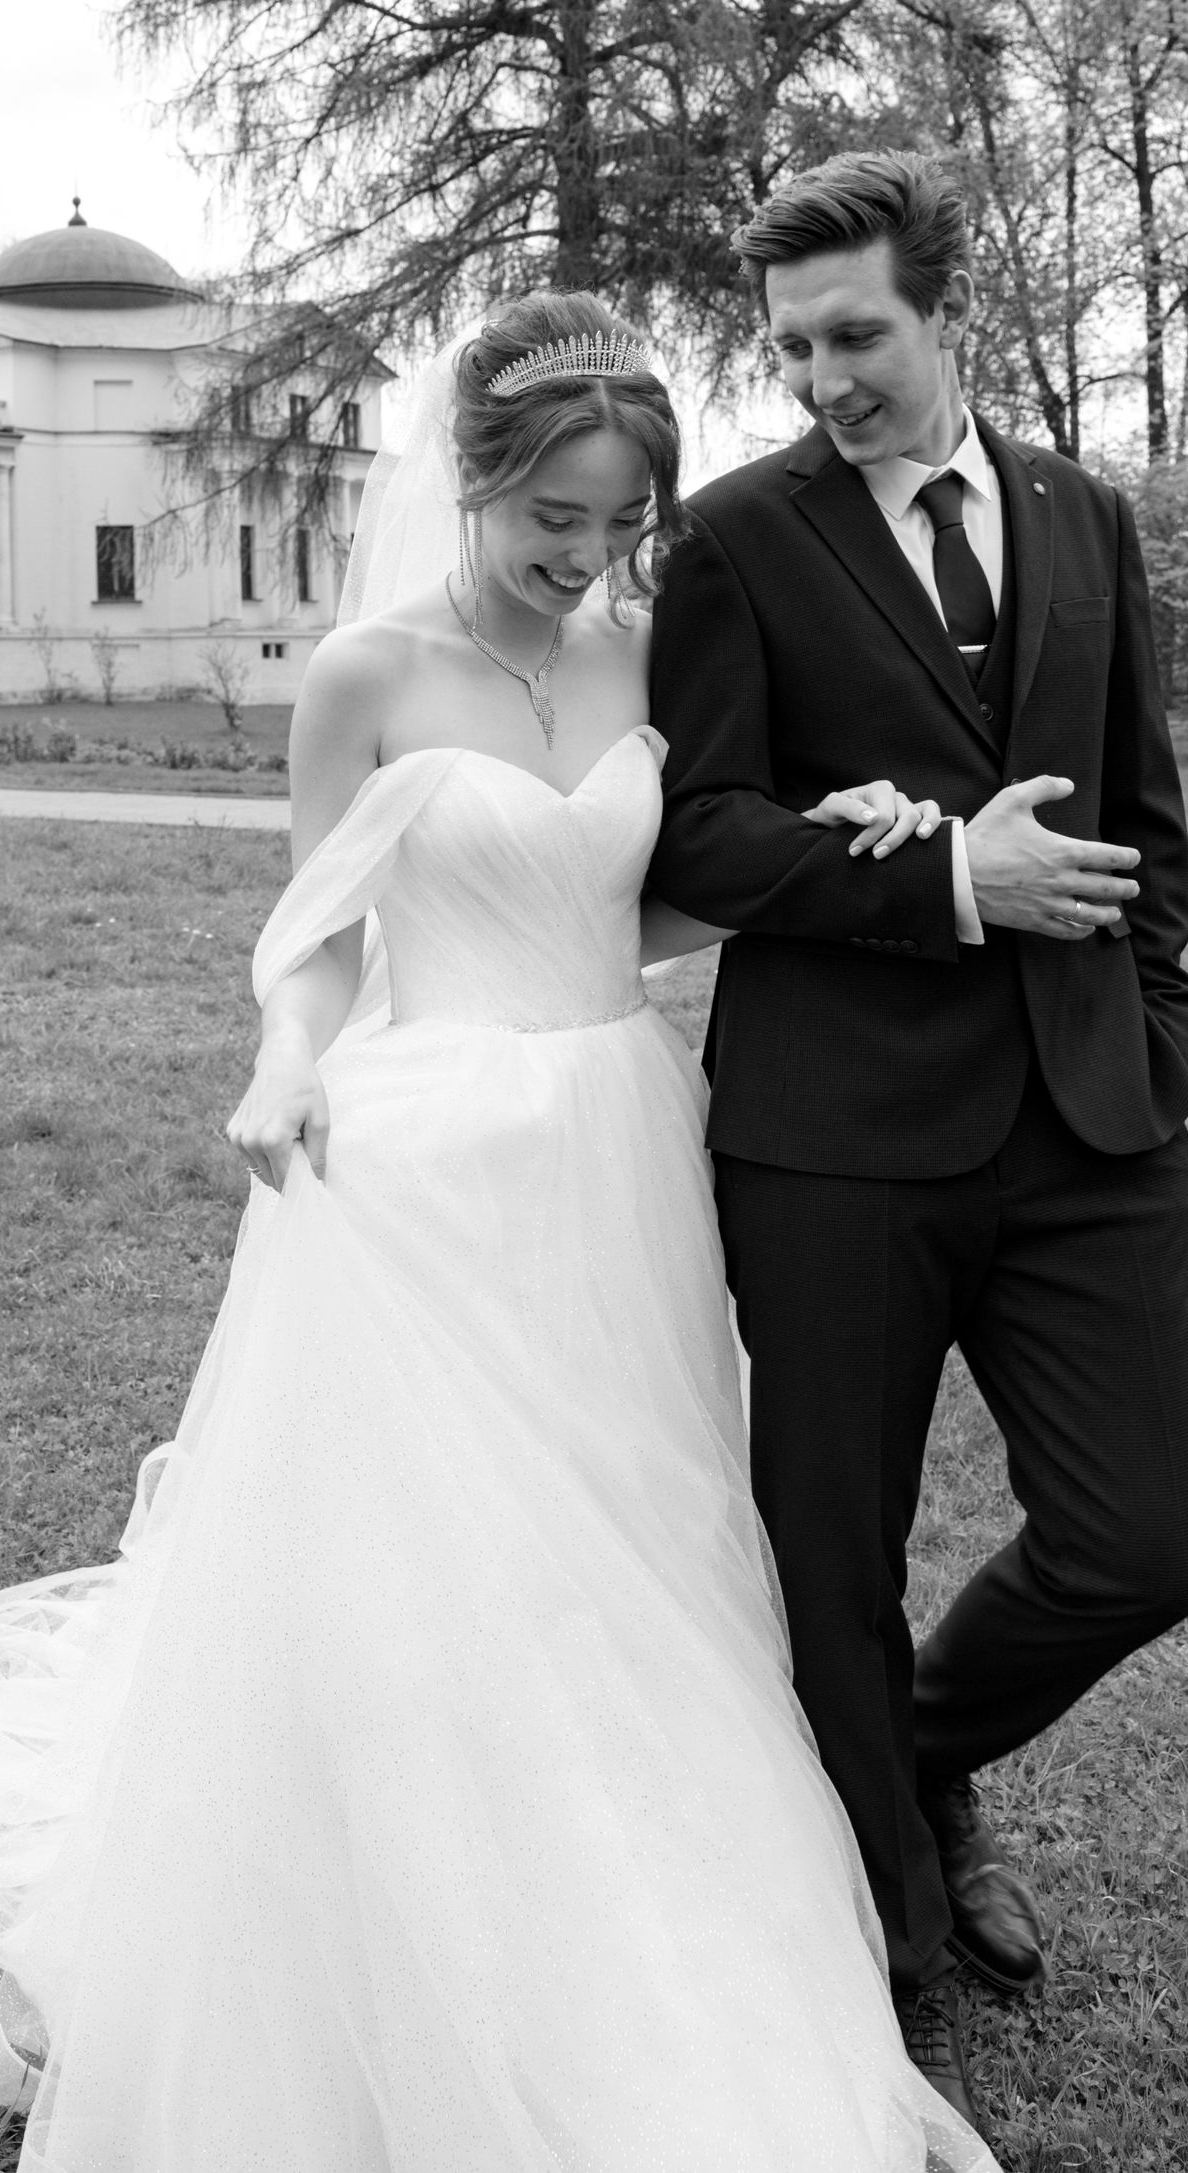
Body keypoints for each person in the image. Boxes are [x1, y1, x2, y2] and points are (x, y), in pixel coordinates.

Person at [0, 293, 997, 2172]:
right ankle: (424, 1897)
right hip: (425, 1159)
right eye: (554, 519)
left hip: (621, 1143)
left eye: (622, 521)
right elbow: (322, 930)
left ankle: (636, 1886)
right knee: (446, 1554)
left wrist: (833, 843)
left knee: (634, 1531)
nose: (586, 555)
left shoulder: (649, 655)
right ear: (474, 478)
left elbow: (647, 900)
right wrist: (290, 1060)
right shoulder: (366, 673)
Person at [648, 149, 1188, 2132]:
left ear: (950, 306)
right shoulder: (735, 539)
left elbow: (1146, 809)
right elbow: (699, 832)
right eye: (792, 349)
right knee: (833, 1552)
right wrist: (951, 875)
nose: (824, 379)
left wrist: (1163, 1038)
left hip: (1091, 1115)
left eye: (857, 334)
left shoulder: (1084, 513)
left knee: (1151, 1529)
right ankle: (880, 1905)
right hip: (836, 1137)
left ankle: (933, 1752)